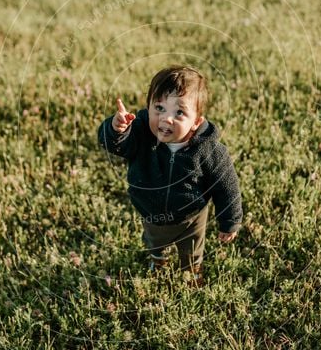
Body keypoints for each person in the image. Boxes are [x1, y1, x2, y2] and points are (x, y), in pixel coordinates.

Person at [98, 65, 242, 286]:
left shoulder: (209, 150)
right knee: (155, 240)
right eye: (159, 108)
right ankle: (159, 259)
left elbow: (227, 187)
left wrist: (229, 222)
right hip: (151, 210)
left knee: (191, 248)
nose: (166, 119)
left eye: (179, 112)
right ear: (148, 106)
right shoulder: (140, 133)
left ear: (197, 121)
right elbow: (115, 146)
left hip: (191, 216)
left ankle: (191, 271)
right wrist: (117, 129)